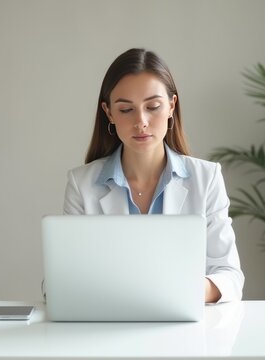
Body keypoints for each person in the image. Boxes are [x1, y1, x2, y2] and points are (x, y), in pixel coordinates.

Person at [63, 48, 244, 303]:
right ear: (109, 113)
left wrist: (185, 290)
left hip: (184, 328)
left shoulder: (207, 178)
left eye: (153, 107)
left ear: (171, 106)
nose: (141, 121)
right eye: (126, 110)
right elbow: (58, 283)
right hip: (108, 328)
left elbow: (230, 276)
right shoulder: (81, 185)